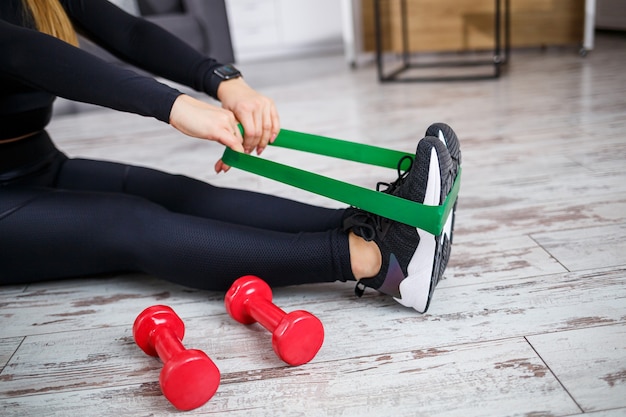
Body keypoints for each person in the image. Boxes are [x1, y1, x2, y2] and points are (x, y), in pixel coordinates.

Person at [0, 0, 461, 313]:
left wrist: (225, 81)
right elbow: (22, 52)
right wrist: (174, 106)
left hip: (38, 162)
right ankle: (381, 263)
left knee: (178, 192)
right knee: (127, 221)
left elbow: (130, 32)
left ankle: (377, 227)